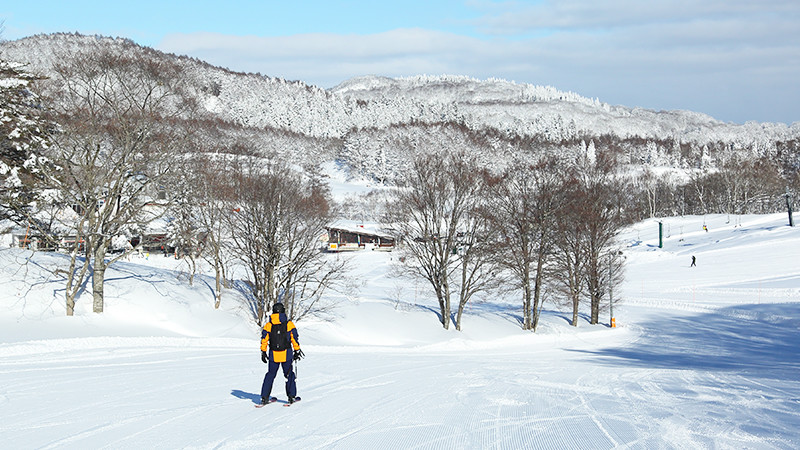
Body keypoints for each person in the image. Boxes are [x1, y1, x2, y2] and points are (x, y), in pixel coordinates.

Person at [259, 302, 304, 405]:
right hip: (286, 354)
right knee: (289, 375)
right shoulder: (289, 324)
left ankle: (264, 397)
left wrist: (263, 351)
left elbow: (264, 339)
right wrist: (297, 350)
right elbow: (294, 338)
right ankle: (291, 397)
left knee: (270, 375)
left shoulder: (269, 325)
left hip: (273, 355)